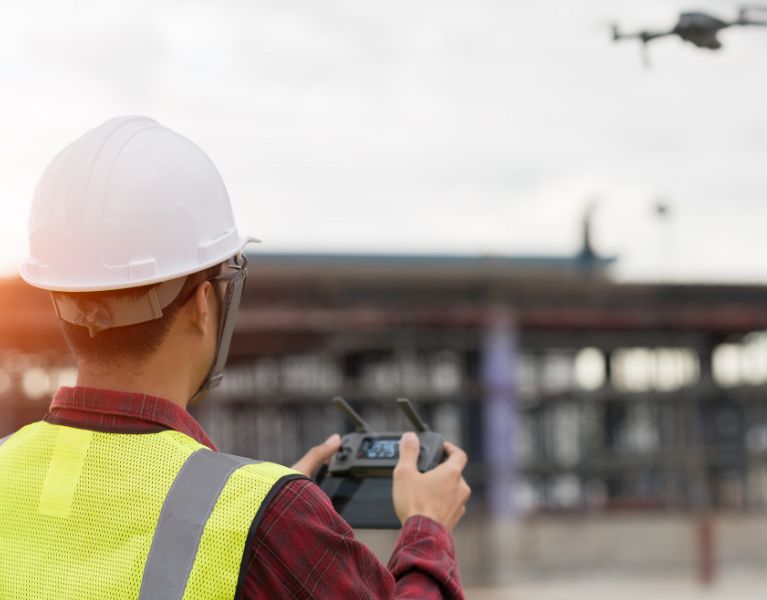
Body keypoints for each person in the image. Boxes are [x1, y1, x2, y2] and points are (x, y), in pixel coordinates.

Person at [0, 116, 471, 599]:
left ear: (63, 300)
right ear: (204, 304)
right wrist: (426, 526)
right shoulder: (269, 518)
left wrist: (259, 504)